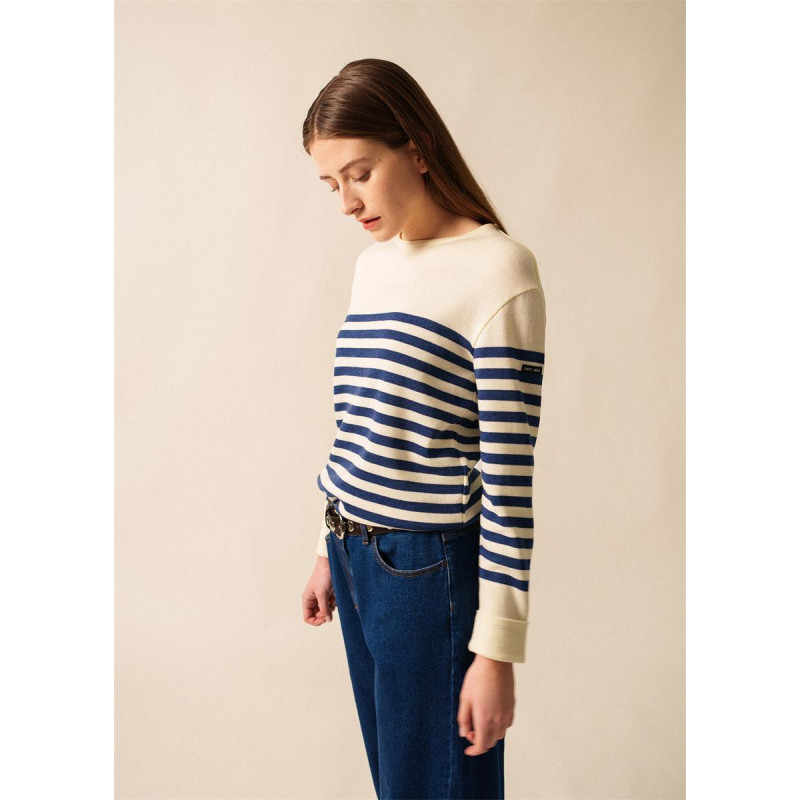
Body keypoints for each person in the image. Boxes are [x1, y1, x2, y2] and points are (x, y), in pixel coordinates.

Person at [300, 58, 546, 800]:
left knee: (435, 787)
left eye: (360, 173)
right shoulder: (375, 267)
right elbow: (362, 425)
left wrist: (496, 650)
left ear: (417, 148)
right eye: (331, 184)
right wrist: (328, 547)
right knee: (401, 784)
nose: (347, 201)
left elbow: (508, 476)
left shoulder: (500, 272)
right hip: (354, 556)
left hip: (426, 570)